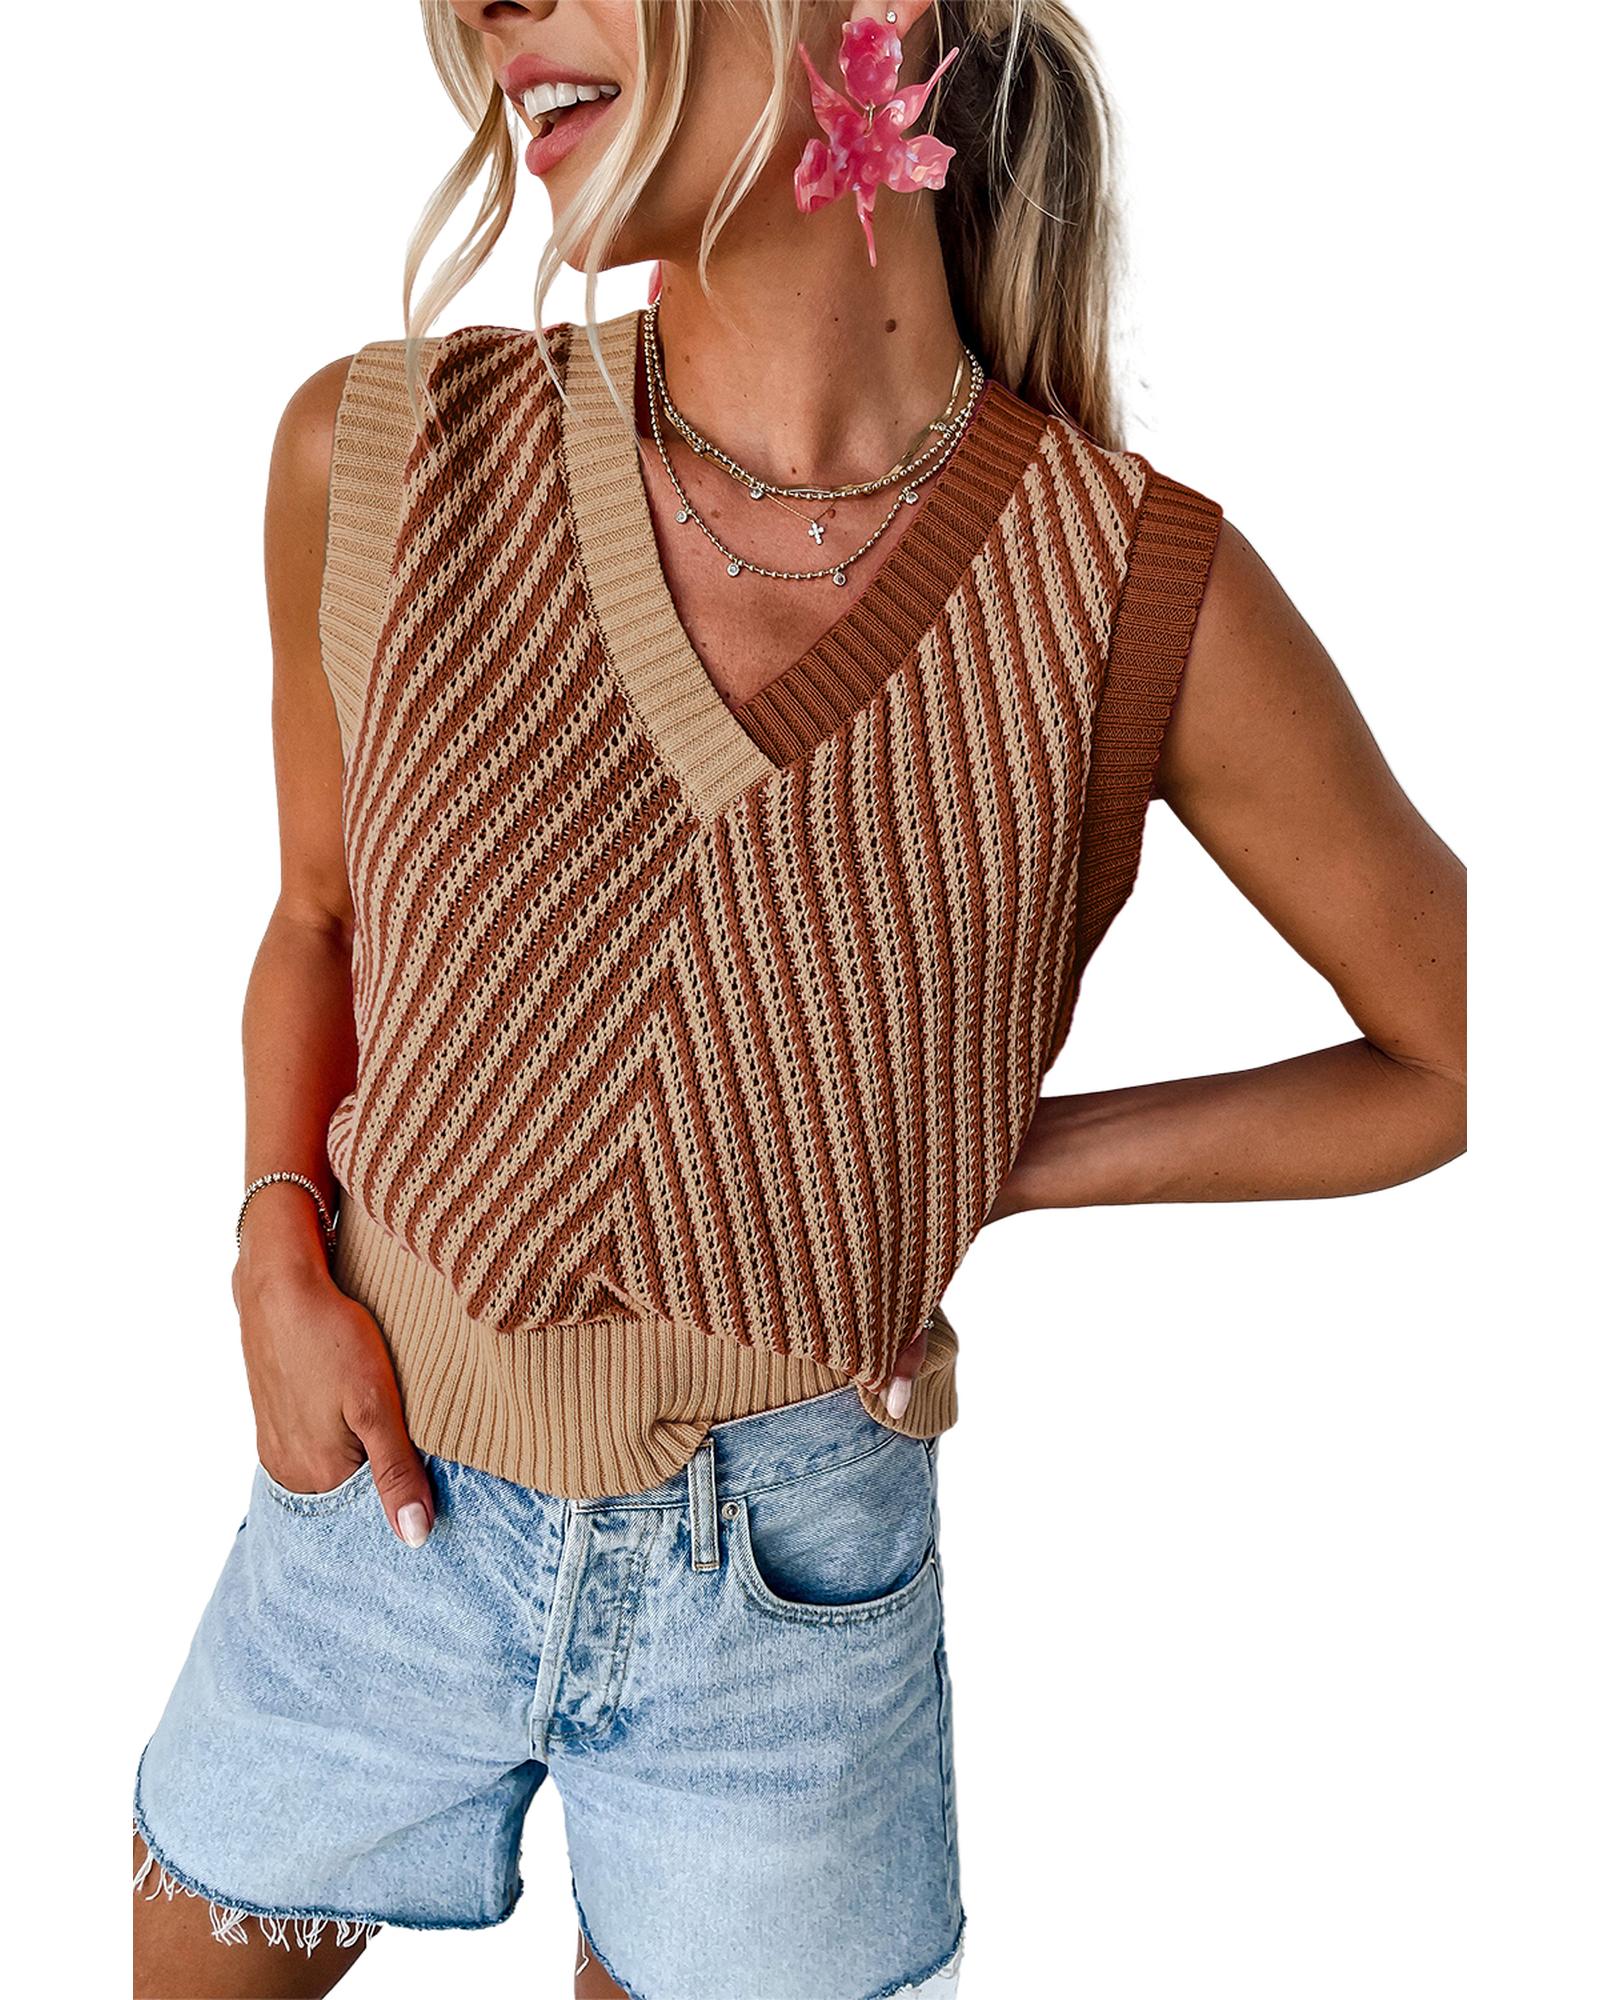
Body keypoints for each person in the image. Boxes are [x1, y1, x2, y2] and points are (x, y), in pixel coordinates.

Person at [129, 2, 1467, 1996]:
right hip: (367, 1513)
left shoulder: (1129, 599)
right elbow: (319, 917)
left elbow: (1462, 1054)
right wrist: (265, 1251)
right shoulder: (386, 449)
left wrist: (971, 1166)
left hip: (787, 1604)